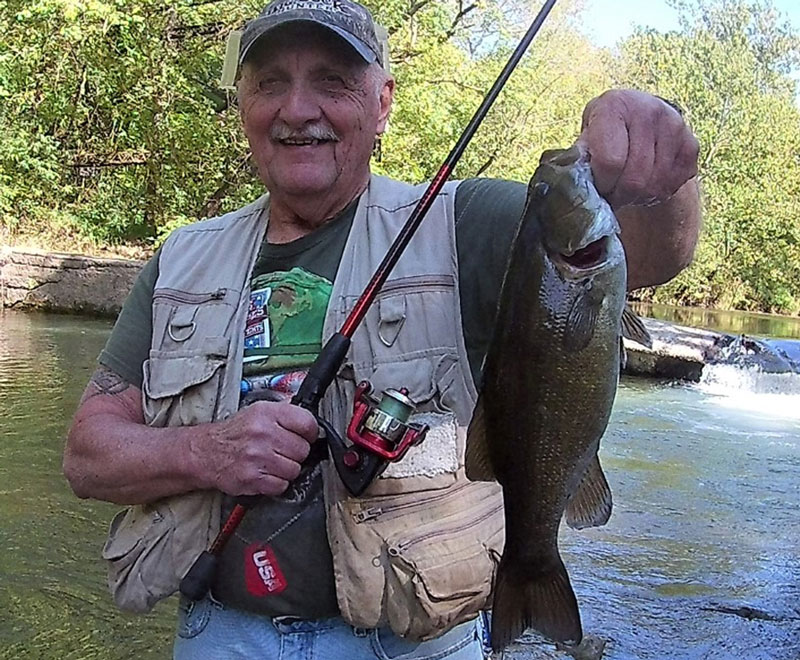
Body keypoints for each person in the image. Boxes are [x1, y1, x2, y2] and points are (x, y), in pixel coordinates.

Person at [63, 0, 701, 658]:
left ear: (383, 103)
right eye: (270, 82)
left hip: (407, 644)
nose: (297, 109)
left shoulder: (464, 224)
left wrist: (659, 161)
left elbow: (654, 255)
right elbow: (88, 455)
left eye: (333, 81)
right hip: (218, 632)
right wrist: (207, 452)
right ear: (242, 104)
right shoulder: (180, 259)